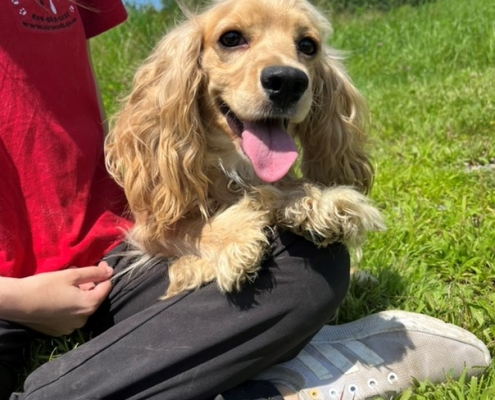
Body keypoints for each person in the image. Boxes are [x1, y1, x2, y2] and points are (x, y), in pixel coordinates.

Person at [0, 1, 490, 400]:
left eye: (305, 48)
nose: (286, 69)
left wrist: (277, 200)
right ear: (186, 70)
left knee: (311, 266)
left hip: (103, 264)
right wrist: (16, 298)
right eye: (233, 40)